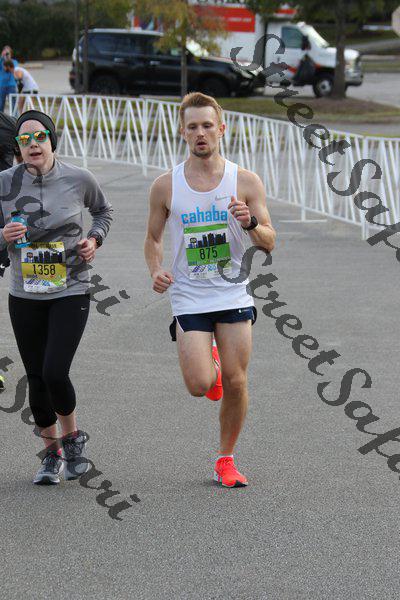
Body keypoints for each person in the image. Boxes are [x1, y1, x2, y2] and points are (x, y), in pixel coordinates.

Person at [144, 92, 276, 488]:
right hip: (189, 294)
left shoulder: (245, 181)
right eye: (192, 127)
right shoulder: (165, 186)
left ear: (221, 129)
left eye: (206, 125)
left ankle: (226, 459)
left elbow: (269, 242)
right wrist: (156, 270)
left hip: (233, 292)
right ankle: (210, 363)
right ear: (182, 133)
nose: (200, 133)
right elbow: (153, 238)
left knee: (237, 381)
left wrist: (250, 223)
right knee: (199, 384)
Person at [0, 109, 113, 485]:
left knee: (54, 371)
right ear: (18, 147)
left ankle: (73, 440)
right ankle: (51, 455)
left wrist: (93, 239)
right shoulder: (4, 183)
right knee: (36, 378)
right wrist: (4, 235)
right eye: (25, 139)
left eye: (40, 137)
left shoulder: (79, 178)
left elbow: (103, 211)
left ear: (52, 140)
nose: (33, 144)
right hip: (25, 293)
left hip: (71, 288)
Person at [0, 46, 18, 112]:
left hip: (11, 85)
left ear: (11, 53)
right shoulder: (1, 61)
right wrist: (2, 57)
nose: (7, 54)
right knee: (1, 104)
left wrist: (8, 60)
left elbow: (14, 68)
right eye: (6, 53)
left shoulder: (14, 61)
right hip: (2, 85)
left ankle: (14, 117)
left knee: (13, 103)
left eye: (8, 53)